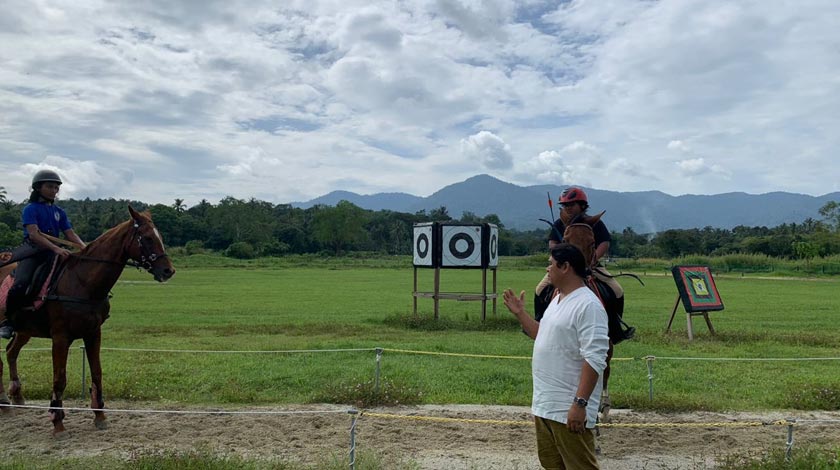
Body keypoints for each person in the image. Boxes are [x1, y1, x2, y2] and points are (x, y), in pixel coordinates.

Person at [505, 243, 609, 469]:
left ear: (565, 267)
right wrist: (520, 314)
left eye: (550, 264)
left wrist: (579, 405)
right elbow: (542, 334)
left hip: (568, 408)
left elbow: (595, 359)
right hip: (545, 405)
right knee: (552, 465)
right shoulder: (556, 299)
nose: (547, 269)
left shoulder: (588, 305)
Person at [0, 169, 86, 339]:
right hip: (33, 250)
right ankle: (8, 322)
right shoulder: (30, 209)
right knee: (21, 283)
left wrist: (85, 248)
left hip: (53, 250)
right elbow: (34, 234)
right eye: (50, 187)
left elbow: (69, 233)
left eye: (56, 188)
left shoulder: (59, 212)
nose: (54, 190)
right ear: (38, 188)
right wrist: (56, 248)